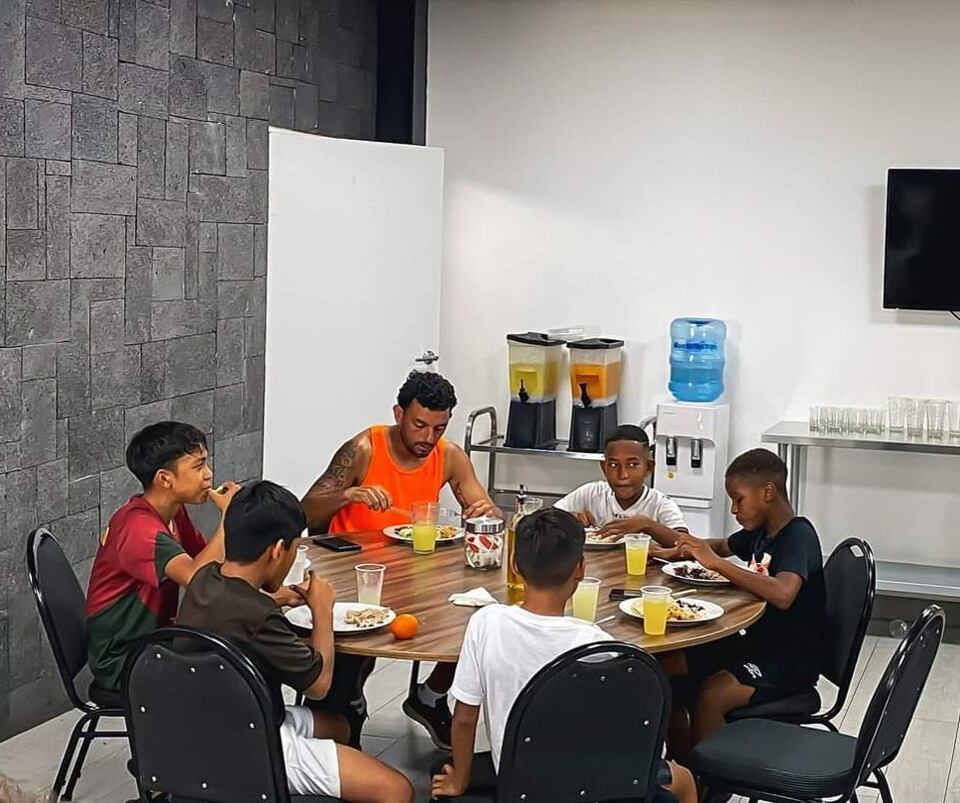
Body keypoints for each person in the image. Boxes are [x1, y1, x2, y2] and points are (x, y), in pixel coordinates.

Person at [430, 508, 695, 803]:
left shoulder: (486, 622)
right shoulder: (599, 645)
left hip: (519, 786)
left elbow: (465, 718)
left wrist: (460, 778)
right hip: (597, 788)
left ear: (515, 565)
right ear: (581, 569)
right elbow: (641, 741)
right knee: (682, 780)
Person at [178, 481, 413, 802]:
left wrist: (276, 598)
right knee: (397, 790)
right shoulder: (259, 615)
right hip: (251, 744)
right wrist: (322, 610)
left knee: (340, 727)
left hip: (200, 727)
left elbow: (236, 611)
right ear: (277, 550)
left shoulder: (205, 578)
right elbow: (318, 685)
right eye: (295, 549)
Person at [301, 371, 501, 749]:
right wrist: (350, 495)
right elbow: (305, 511)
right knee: (354, 656)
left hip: (417, 568)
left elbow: (484, 512)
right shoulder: (364, 448)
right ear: (399, 413)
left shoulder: (449, 456)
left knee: (484, 616)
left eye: (438, 428)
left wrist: (484, 513)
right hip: (355, 571)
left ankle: (431, 696)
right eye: (419, 425)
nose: (428, 437)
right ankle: (347, 707)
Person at [672, 448, 826, 744]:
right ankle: (684, 770)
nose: (733, 509)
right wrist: (675, 544)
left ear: (768, 492)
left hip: (787, 662)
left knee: (711, 695)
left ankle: (712, 783)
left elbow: (783, 593)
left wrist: (716, 564)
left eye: (737, 499)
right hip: (754, 643)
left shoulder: (798, 535)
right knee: (673, 666)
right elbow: (716, 546)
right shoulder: (761, 532)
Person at [84, 422, 241, 704]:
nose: (209, 475)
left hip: (154, 643)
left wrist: (276, 593)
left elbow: (214, 566)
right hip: (124, 660)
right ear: (165, 479)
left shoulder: (172, 514)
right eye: (198, 466)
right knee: (238, 668)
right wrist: (229, 518)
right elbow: (197, 578)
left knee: (243, 649)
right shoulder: (139, 529)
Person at [555, 424, 688, 546]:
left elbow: (687, 545)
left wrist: (647, 525)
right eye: (613, 465)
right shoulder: (591, 493)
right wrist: (569, 519)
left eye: (632, 465)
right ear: (604, 467)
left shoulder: (660, 504)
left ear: (648, 467)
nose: (622, 475)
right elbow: (542, 521)